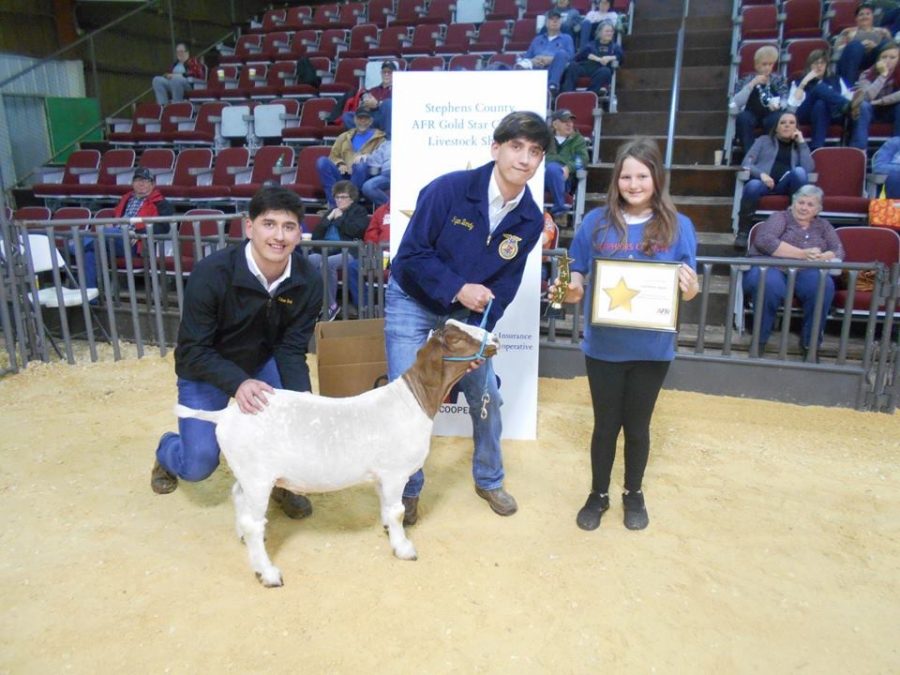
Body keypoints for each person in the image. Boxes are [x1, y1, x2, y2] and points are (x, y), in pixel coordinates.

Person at [385, 111, 553, 525]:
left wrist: (479, 335)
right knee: (409, 398)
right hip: (411, 298)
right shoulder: (448, 190)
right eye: (516, 147)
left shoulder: (530, 219)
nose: (525, 159)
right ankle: (408, 490)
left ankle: (490, 479)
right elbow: (410, 256)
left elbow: (507, 285)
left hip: (467, 318)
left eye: (535, 152)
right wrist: (458, 287)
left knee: (486, 396)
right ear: (496, 148)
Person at [548, 137, 699, 532]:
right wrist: (570, 287)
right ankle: (598, 493)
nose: (633, 184)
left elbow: (688, 279)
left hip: (652, 347)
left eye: (642, 176)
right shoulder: (595, 222)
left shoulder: (679, 225)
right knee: (604, 424)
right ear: (616, 180)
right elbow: (573, 268)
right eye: (626, 176)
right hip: (604, 345)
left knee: (638, 426)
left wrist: (691, 288)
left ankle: (634, 493)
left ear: (656, 178)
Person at [151, 186, 323, 519]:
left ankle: (282, 485)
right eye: (269, 224)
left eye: (289, 227)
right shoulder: (212, 272)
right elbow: (192, 351)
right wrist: (238, 383)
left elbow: (291, 348)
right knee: (198, 465)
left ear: (299, 234)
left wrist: (303, 404)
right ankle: (168, 449)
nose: (279, 236)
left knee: (294, 426)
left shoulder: (308, 280)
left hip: (264, 361)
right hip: (206, 367)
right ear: (249, 227)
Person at [742, 185, 844, 361]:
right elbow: (765, 241)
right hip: (770, 265)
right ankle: (759, 341)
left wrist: (825, 255)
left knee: (823, 285)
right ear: (793, 203)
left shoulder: (823, 225)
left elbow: (838, 249)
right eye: (801, 202)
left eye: (810, 205)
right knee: (769, 285)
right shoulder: (780, 218)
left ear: (818, 209)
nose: (804, 207)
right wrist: (803, 254)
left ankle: (810, 345)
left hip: (807, 269)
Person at [78, 166, 174, 290]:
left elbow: (163, 227)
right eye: (138, 180)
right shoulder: (126, 199)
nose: (141, 184)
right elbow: (117, 217)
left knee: (102, 235)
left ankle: (75, 245)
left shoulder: (161, 203)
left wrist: (136, 231)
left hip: (135, 242)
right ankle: (89, 298)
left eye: (146, 181)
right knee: (91, 253)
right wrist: (111, 224)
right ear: (133, 183)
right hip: (115, 237)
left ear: (152, 184)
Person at [735, 111, 814, 249]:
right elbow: (746, 163)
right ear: (776, 127)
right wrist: (761, 175)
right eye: (782, 123)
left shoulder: (799, 147)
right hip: (764, 184)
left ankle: (797, 228)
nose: (786, 126)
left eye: (791, 123)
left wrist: (801, 143)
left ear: (796, 128)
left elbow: (808, 169)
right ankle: (743, 231)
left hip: (787, 185)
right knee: (752, 185)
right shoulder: (763, 140)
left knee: (800, 172)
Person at [307, 180, 370, 320]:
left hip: (349, 250)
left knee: (328, 264)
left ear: (352, 198)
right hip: (326, 250)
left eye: (343, 197)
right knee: (309, 260)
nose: (339, 200)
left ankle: (331, 306)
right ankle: (315, 303)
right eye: (337, 197)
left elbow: (356, 231)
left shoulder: (358, 211)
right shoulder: (331, 211)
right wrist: (328, 218)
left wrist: (340, 219)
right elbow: (316, 236)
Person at [315, 109, 386, 208]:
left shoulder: (380, 138)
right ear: (355, 120)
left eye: (365, 119)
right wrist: (340, 164)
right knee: (322, 161)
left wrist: (366, 159)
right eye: (360, 118)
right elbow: (333, 156)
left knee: (361, 165)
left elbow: (381, 159)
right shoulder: (344, 136)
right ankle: (334, 205)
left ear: (371, 121)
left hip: (364, 177)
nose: (362, 122)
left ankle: (350, 204)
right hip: (344, 174)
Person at [786, 49, 852, 150]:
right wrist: (804, 82)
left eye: (822, 63)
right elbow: (792, 107)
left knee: (821, 104)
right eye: (816, 63)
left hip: (831, 114)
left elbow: (848, 94)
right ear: (809, 65)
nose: (819, 66)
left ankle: (817, 148)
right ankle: (846, 104)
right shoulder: (799, 81)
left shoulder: (836, 79)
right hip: (805, 113)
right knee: (818, 88)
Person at [730, 44, 789, 154]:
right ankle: (750, 155)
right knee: (743, 118)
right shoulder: (746, 79)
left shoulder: (778, 79)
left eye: (770, 64)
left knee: (776, 118)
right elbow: (736, 102)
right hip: (751, 112)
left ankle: (768, 154)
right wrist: (752, 84)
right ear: (756, 65)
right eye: (764, 64)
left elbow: (785, 99)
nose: (767, 67)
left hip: (771, 113)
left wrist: (779, 104)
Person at [849, 42, 900, 149]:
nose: (887, 61)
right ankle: (860, 149)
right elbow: (867, 97)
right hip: (871, 111)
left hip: (892, 111)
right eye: (884, 57)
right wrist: (883, 76)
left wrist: (880, 101)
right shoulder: (867, 74)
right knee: (863, 105)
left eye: (892, 57)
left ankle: (897, 149)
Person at [543, 109, 589, 222]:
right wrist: (559, 161)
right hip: (542, 177)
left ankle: (559, 208)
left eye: (571, 121)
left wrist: (569, 167)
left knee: (553, 169)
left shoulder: (578, 140)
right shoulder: (545, 139)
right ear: (555, 124)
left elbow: (582, 160)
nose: (570, 124)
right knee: (551, 168)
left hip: (565, 179)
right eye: (565, 121)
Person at [834, 2, 892, 87]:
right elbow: (837, 50)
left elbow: (892, 49)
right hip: (853, 59)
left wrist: (875, 47)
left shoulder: (882, 32)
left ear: (873, 17)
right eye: (861, 14)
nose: (865, 17)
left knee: (885, 44)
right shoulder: (848, 32)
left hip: (874, 59)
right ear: (856, 19)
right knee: (856, 45)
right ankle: (849, 87)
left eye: (868, 14)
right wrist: (859, 45)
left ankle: (886, 81)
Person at [518, 9, 575, 95]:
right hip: (536, 69)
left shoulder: (567, 38)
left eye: (557, 19)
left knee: (562, 54)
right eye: (552, 19)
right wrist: (533, 61)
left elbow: (570, 56)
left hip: (554, 68)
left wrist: (552, 59)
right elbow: (527, 57)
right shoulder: (537, 39)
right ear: (546, 23)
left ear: (561, 23)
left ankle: (552, 87)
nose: (555, 21)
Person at [347, 201, 391, 310]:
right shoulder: (382, 210)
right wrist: (374, 251)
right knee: (353, 267)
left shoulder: (413, 209)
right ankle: (365, 308)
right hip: (381, 255)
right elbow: (371, 233)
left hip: (403, 257)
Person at [561, 20, 622, 95]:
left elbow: (620, 56)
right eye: (607, 31)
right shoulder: (591, 44)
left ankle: (589, 94)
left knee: (605, 71)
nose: (609, 33)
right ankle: (567, 93)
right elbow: (581, 55)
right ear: (600, 32)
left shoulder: (614, 47)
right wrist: (598, 59)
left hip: (599, 70)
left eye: (611, 31)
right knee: (573, 66)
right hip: (586, 67)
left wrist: (609, 58)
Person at [341, 60, 395, 137]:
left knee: (388, 104)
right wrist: (365, 103)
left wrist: (378, 104)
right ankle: (366, 138)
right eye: (384, 72)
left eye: (389, 72)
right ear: (381, 74)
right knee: (347, 116)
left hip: (387, 119)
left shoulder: (399, 89)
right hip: (372, 117)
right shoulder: (372, 90)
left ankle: (387, 139)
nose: (386, 74)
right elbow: (363, 106)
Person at [362, 139, 391, 208]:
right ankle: (390, 209)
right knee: (368, 186)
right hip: (387, 175)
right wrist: (365, 157)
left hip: (407, 173)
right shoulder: (387, 144)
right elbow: (375, 161)